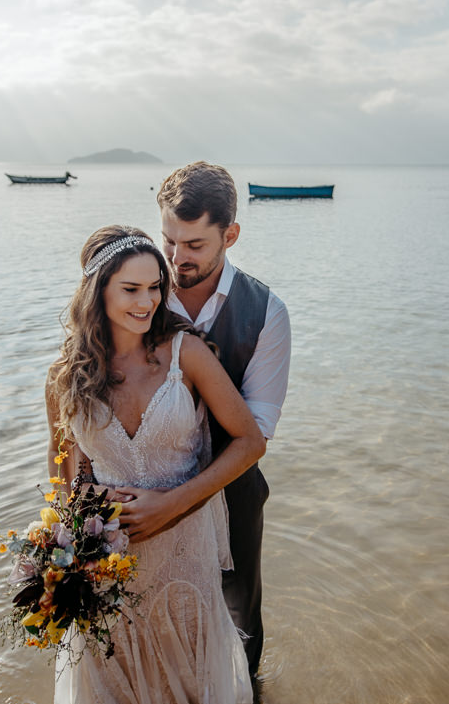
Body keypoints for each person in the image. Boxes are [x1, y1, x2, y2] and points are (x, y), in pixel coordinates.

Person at [45, 225, 265, 704]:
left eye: (155, 287)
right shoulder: (66, 375)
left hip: (185, 552)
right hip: (108, 558)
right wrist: (86, 505)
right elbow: (62, 466)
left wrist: (171, 506)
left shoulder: (187, 355)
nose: (147, 302)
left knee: (187, 677)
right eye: (130, 289)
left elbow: (249, 442)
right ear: (96, 290)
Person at [153, 161, 292, 695]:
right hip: (147, 485)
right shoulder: (138, 288)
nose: (176, 258)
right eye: (168, 239)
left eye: (193, 244)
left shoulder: (266, 313)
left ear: (230, 235)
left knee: (241, 620)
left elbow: (255, 433)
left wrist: (179, 503)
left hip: (234, 491)